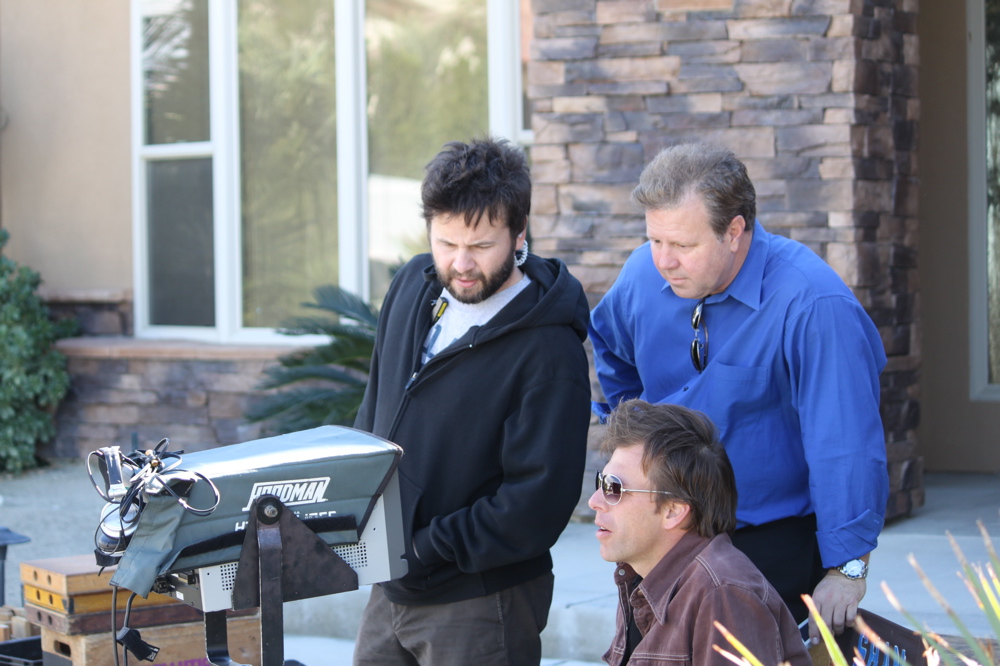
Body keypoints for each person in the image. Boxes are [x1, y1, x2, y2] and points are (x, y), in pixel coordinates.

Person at [589, 142, 888, 642]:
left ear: (734, 232)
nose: (663, 261)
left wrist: (847, 568)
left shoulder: (814, 304)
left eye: (682, 245)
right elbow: (612, 348)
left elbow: (846, 444)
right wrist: (638, 445)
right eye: (654, 240)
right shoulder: (643, 274)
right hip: (665, 529)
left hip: (770, 541)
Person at [351, 136, 592, 665]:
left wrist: (424, 549)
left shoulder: (549, 350)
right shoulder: (411, 288)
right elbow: (373, 410)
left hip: (482, 602)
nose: (460, 263)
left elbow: (537, 504)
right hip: (389, 586)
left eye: (481, 246)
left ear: (518, 234)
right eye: (445, 243)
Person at [589, 398, 812, 666]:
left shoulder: (724, 597)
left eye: (614, 488)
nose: (594, 500)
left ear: (673, 510)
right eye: (601, 481)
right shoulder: (640, 574)